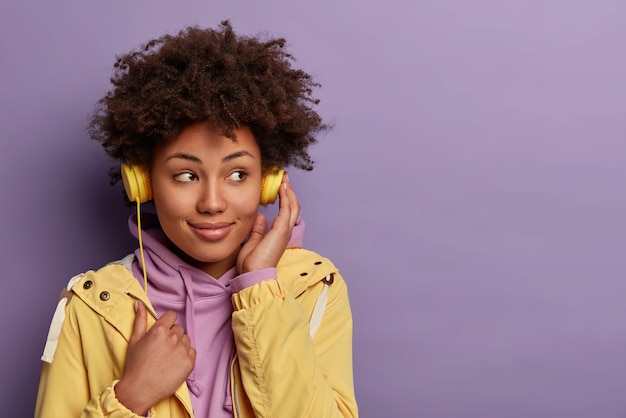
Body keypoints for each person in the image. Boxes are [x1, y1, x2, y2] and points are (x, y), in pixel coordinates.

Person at [35, 21, 357, 417]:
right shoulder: (92, 304)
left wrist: (259, 288)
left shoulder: (313, 287)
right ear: (143, 182)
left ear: (269, 182)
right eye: (186, 175)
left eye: (237, 174)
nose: (212, 202)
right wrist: (130, 397)